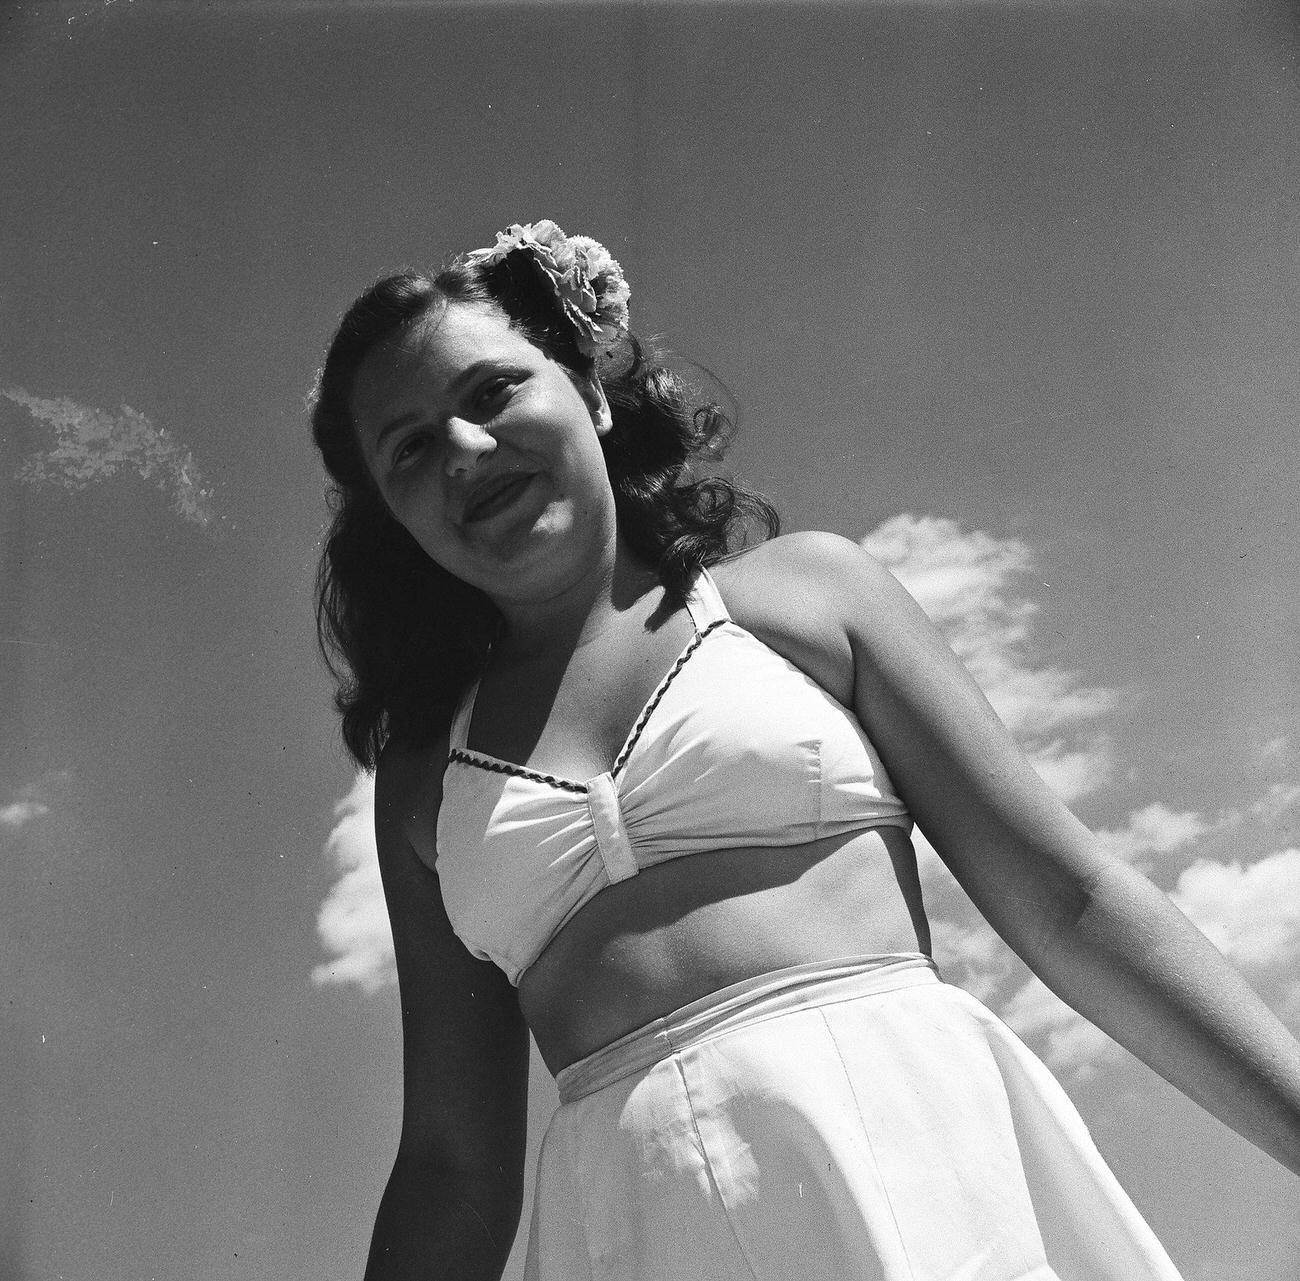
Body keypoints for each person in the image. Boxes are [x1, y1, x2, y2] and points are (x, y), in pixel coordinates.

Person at [311, 221, 1300, 1281]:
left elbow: (1071, 902)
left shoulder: (805, 596)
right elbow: (453, 1165)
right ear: (393, 513)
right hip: (634, 1233)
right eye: (408, 446)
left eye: (491, 391)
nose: (462, 449)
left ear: (590, 394)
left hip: (911, 1159)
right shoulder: (423, 780)